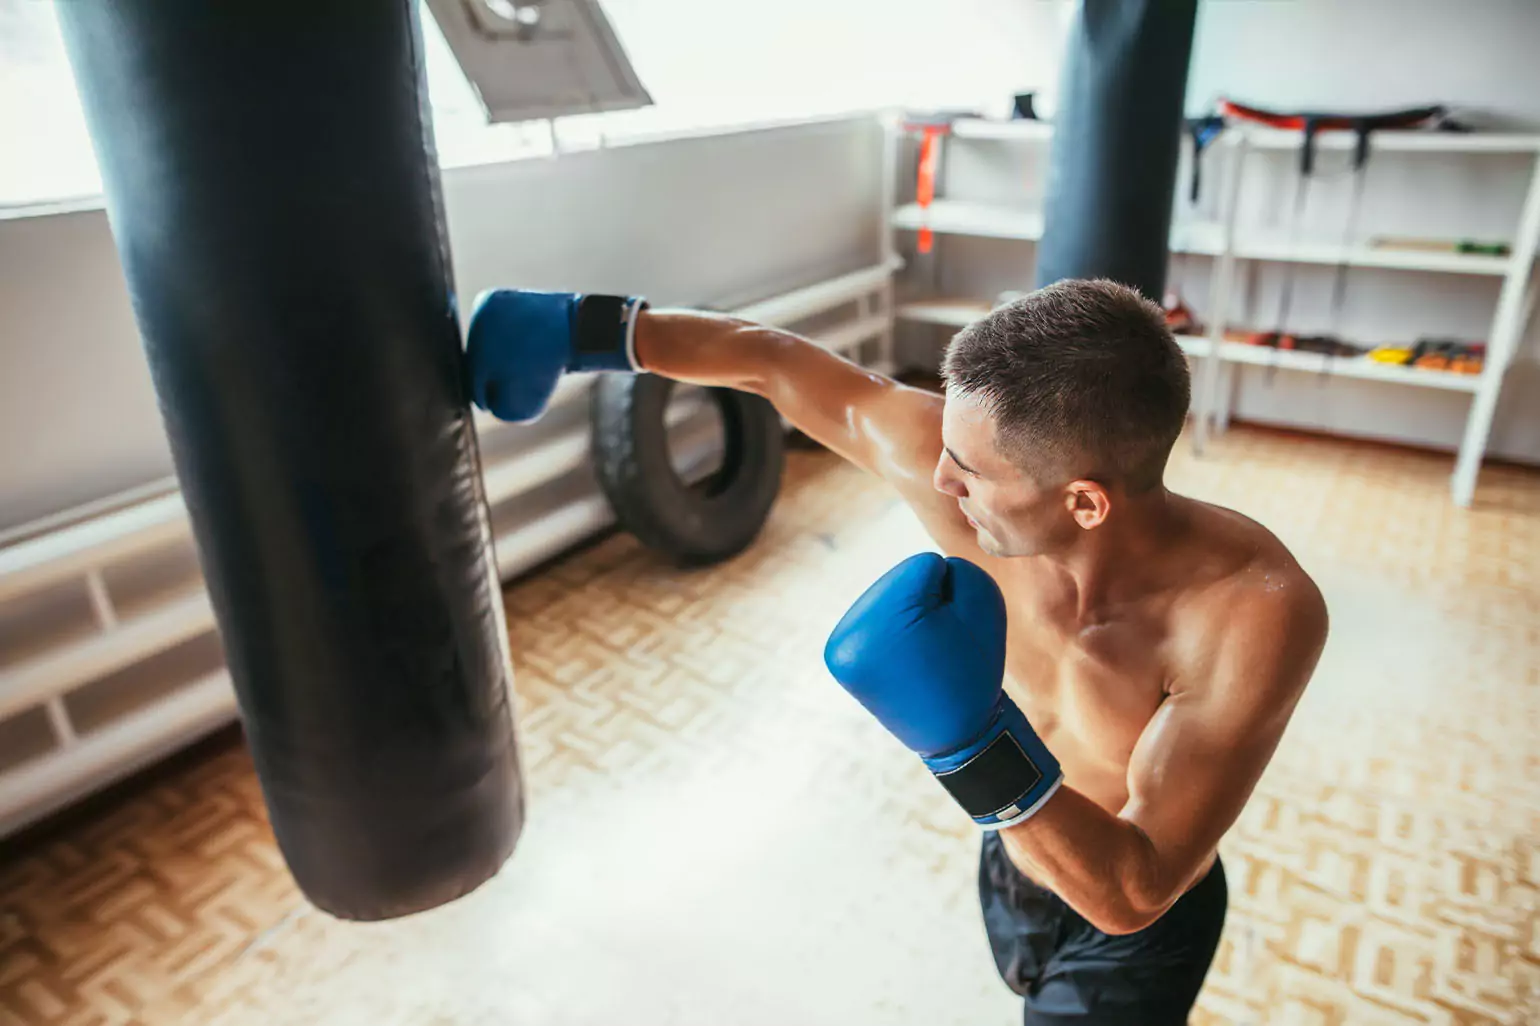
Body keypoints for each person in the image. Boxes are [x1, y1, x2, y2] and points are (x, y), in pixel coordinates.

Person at [466, 278, 1329, 1024]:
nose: (939, 481)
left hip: (1130, 922)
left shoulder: (1252, 612)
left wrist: (969, 747)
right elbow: (772, 363)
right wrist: (586, 329)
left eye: (970, 471)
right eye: (944, 449)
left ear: (1087, 503)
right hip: (1015, 843)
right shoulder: (958, 463)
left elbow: (1132, 891)